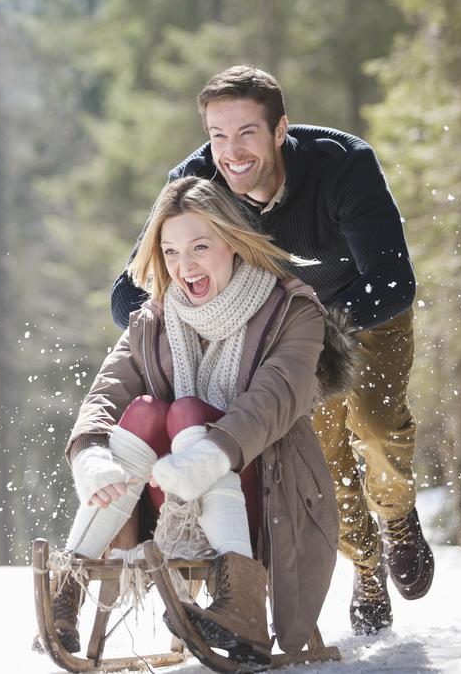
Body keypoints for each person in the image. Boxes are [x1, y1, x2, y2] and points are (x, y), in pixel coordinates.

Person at [110, 65, 433, 635]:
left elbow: (392, 281)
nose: (231, 153)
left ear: (280, 130)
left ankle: (398, 516)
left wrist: (315, 326)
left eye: (247, 134)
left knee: (376, 424)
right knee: (323, 457)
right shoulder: (195, 181)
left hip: (363, 314)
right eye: (217, 135)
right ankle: (365, 570)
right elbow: (128, 292)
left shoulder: (341, 167)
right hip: (285, 332)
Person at [44, 176, 352, 668]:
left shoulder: (291, 312)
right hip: (171, 499)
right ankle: (69, 587)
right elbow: (108, 389)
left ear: (232, 241)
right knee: (144, 409)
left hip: (265, 493)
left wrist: (206, 455)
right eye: (169, 253)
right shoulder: (156, 317)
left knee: (187, 411)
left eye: (199, 247)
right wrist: (92, 455)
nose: (184, 267)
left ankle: (242, 605)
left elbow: (272, 401)